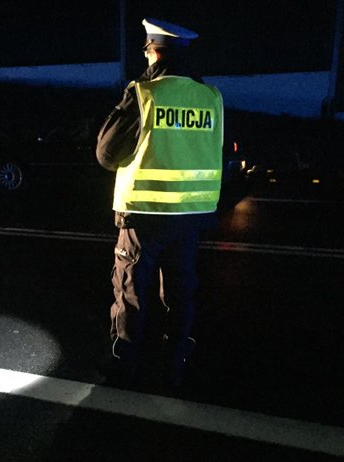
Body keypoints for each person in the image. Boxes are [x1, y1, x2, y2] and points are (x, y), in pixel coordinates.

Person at [96, 18, 224, 387]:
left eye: (146, 50)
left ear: (153, 51)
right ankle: (178, 357)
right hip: (191, 216)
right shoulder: (210, 97)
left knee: (131, 289)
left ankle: (124, 360)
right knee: (181, 290)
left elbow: (106, 154)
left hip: (144, 216)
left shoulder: (143, 92)